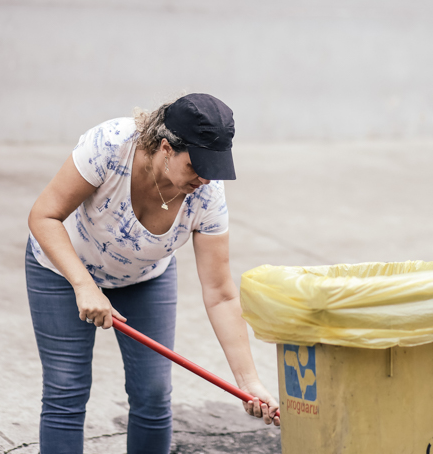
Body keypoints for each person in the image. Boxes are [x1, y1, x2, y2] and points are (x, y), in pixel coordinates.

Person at [25, 93, 280, 454]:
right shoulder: (110, 146)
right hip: (63, 272)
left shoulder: (207, 197)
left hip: (144, 278)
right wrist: (83, 284)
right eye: (196, 165)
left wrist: (248, 380)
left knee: (153, 393)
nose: (205, 178)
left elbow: (220, 292)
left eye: (214, 168)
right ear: (165, 148)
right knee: (66, 388)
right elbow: (44, 215)